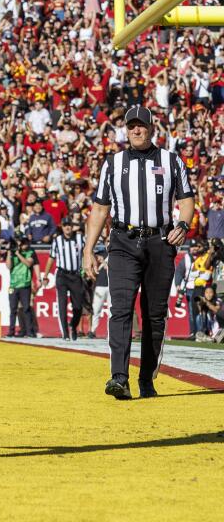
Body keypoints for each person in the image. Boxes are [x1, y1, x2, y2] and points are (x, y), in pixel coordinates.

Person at [84, 105, 195, 400]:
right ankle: (119, 377)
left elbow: (186, 201)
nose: (136, 130)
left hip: (160, 242)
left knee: (154, 315)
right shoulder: (113, 162)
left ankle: (146, 379)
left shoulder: (172, 161)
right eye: (131, 125)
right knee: (120, 309)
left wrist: (183, 225)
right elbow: (99, 209)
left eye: (141, 125)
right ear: (125, 129)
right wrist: (88, 249)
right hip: (122, 241)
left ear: (151, 129)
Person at [45, 218, 85, 340]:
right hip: (62, 275)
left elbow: (86, 253)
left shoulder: (80, 238)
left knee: (78, 306)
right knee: (62, 304)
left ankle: (73, 325)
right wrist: (46, 275)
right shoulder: (57, 240)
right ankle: (65, 334)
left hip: (75, 275)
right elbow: (51, 258)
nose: (67, 228)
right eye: (65, 225)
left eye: (69, 225)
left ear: (72, 227)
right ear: (62, 227)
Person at [6, 234, 36, 337]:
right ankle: (11, 331)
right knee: (13, 309)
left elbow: (28, 264)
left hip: (25, 284)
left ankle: (29, 331)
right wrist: (10, 251)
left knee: (26, 308)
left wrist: (18, 254)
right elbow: (8, 266)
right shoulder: (12, 253)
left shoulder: (30, 252)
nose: (21, 245)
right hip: (13, 285)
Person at [89, 247, 110, 339]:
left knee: (111, 311)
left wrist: (105, 263)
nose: (108, 242)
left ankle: (110, 333)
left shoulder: (115, 254)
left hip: (111, 286)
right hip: (100, 285)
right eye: (107, 240)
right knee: (96, 309)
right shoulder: (99, 253)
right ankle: (93, 331)